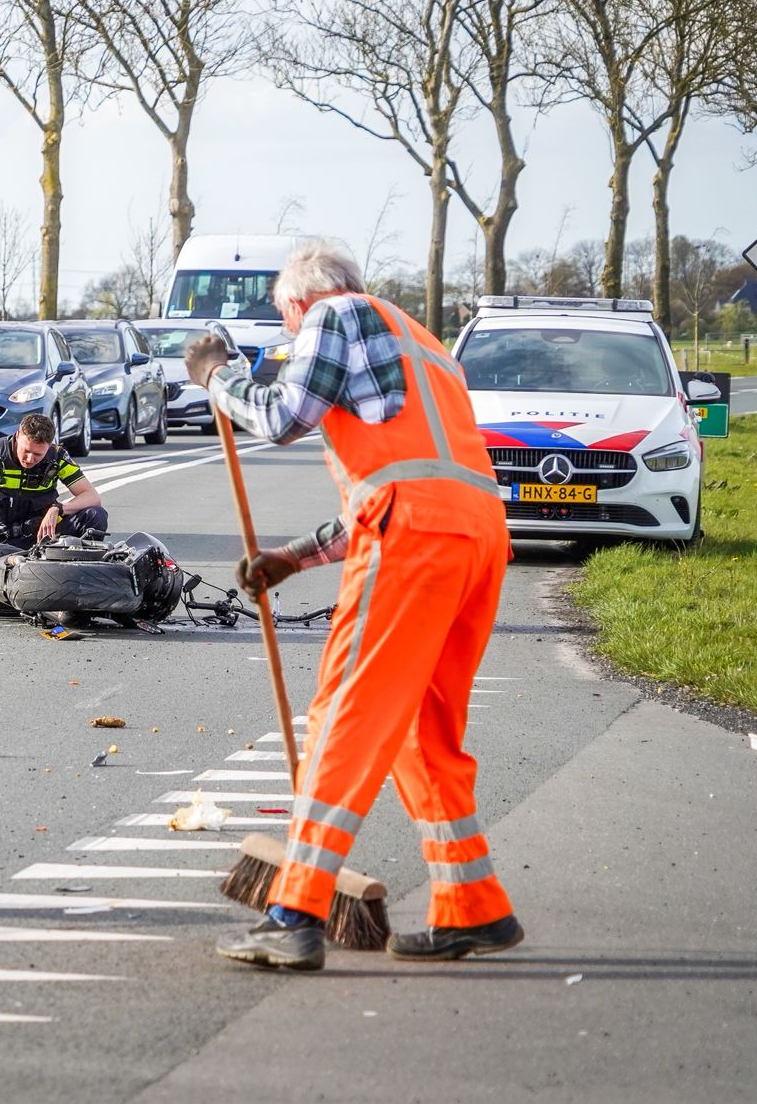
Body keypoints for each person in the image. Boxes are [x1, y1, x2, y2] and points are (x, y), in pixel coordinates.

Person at [183, 239, 519, 973]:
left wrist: (218, 379)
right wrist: (293, 558)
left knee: (345, 713)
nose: (291, 335)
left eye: (285, 320)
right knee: (420, 729)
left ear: (299, 302)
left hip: (414, 538)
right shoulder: (422, 343)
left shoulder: (332, 315)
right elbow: (406, 478)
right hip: (477, 537)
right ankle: (475, 906)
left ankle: (294, 912)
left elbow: (282, 415)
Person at [0, 411, 107, 546]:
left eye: (38, 454)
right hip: (2, 538)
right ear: (18, 436)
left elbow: (92, 497)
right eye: (26, 451)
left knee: (96, 515)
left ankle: (80, 570)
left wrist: (58, 509)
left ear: (49, 446)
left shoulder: (57, 457)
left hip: (44, 535)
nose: (30, 459)